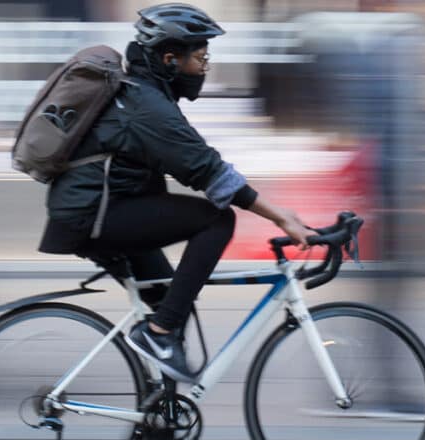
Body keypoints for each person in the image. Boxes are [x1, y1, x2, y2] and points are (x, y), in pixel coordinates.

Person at [38, 3, 316, 383]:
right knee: (217, 219)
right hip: (93, 215)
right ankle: (159, 335)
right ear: (170, 59)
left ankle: (161, 417)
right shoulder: (145, 106)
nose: (205, 66)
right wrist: (281, 216)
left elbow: (194, 164)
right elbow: (207, 170)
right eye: (200, 57)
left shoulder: (144, 95)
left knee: (171, 301)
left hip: (103, 211)